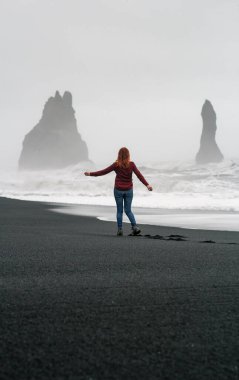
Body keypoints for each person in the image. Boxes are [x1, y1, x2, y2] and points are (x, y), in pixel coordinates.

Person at [84, 147, 153, 236]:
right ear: (128, 155)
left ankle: (120, 230)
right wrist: (147, 185)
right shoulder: (131, 164)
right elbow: (139, 175)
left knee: (119, 211)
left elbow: (104, 172)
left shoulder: (116, 165)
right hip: (129, 190)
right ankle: (135, 227)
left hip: (118, 190)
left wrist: (90, 174)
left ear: (119, 155)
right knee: (128, 210)